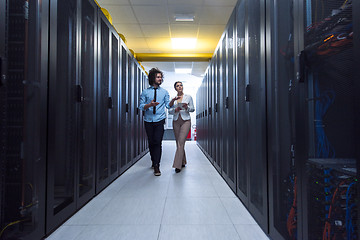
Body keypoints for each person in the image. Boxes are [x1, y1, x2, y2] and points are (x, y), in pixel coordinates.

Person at [139, 68, 179, 176]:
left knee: (157, 141)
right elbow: (141, 106)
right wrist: (150, 105)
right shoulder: (145, 92)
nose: (160, 79)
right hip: (148, 120)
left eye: (161, 77)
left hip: (160, 119)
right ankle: (153, 160)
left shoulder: (164, 92)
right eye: (158, 77)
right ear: (152, 78)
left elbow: (167, 105)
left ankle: (157, 165)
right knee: (151, 142)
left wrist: (172, 101)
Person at [168, 81, 195, 173]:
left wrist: (187, 107)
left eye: (181, 85)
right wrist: (175, 110)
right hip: (176, 121)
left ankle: (177, 165)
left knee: (181, 142)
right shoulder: (173, 99)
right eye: (177, 86)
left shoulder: (188, 97)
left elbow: (192, 109)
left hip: (186, 121)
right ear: (175, 88)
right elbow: (169, 111)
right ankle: (183, 161)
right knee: (178, 142)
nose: (180, 87)